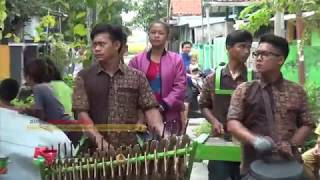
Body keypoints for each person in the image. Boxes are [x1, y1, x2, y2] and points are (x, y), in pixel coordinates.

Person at [227, 34, 315, 178]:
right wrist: (254, 140)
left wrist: (292, 144)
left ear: (280, 59)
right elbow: (232, 123)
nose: (258, 58)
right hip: (254, 166)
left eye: (265, 54)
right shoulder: (244, 89)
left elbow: (308, 123)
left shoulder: (296, 91)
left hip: (289, 165)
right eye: (257, 54)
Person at [72, 24, 164, 149]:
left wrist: (164, 136)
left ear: (116, 45)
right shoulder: (84, 77)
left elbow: (151, 110)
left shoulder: (137, 77)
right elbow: (81, 115)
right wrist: (101, 143)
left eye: (102, 44)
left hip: (130, 153)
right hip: (94, 155)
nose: (97, 49)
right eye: (94, 44)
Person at [199, 30, 253, 180]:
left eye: (248, 47)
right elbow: (204, 105)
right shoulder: (212, 79)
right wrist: (214, 121)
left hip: (248, 144)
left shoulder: (255, 79)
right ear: (228, 47)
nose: (246, 51)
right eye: (241, 46)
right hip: (220, 141)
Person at [129, 21, 186, 135]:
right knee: (145, 149)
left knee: (169, 148)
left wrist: (164, 105)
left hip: (170, 113)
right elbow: (131, 87)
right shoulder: (137, 60)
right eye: (153, 32)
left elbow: (180, 86)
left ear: (167, 36)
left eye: (161, 33)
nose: (156, 35)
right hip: (143, 115)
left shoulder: (176, 60)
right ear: (148, 35)